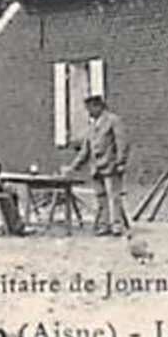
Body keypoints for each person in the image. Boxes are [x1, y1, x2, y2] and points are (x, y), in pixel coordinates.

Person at [61, 94, 129, 236]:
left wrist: (120, 162)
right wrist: (73, 167)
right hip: (96, 168)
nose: (89, 113)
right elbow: (85, 151)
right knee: (101, 197)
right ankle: (104, 225)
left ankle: (116, 225)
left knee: (113, 197)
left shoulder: (113, 120)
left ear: (98, 106)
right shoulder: (91, 127)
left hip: (111, 166)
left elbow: (122, 143)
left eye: (90, 109)